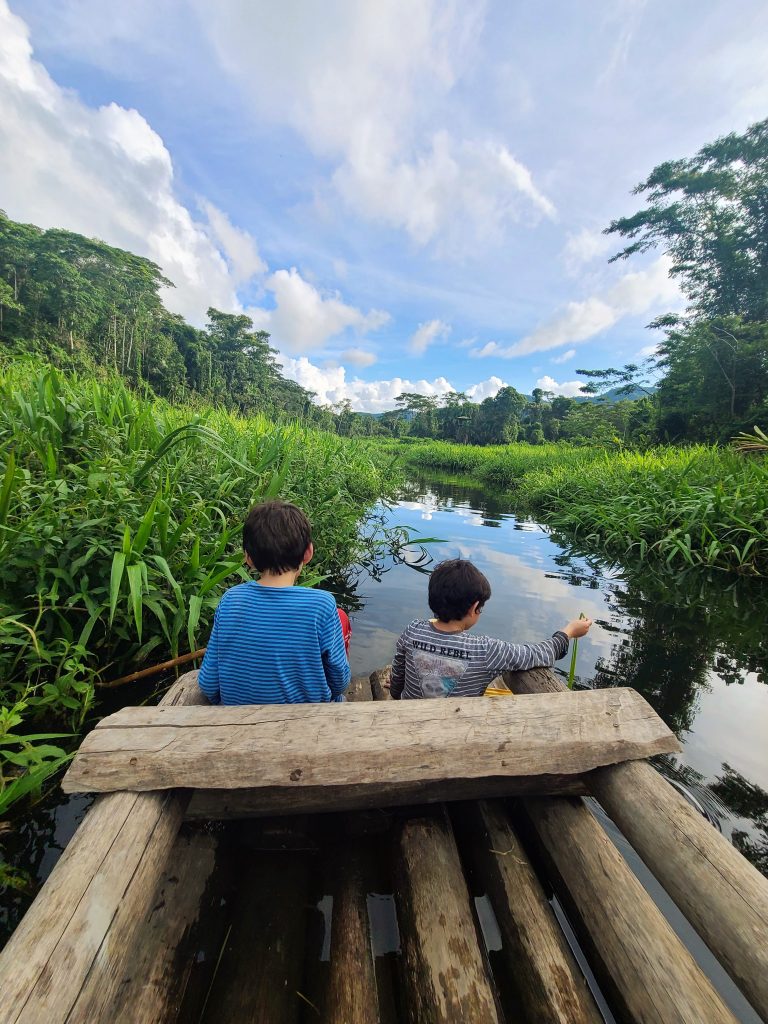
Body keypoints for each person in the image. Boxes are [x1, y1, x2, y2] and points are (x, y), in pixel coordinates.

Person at [198, 499, 350, 704]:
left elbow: (208, 683)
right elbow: (339, 680)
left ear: (248, 558)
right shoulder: (321, 605)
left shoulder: (230, 601)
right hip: (308, 725)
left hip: (238, 724)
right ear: (308, 553)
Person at [389, 558, 592, 699]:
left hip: (410, 722)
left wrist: (397, 695)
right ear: (475, 607)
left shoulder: (412, 630)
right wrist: (569, 631)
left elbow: (397, 677)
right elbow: (538, 653)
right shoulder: (487, 650)